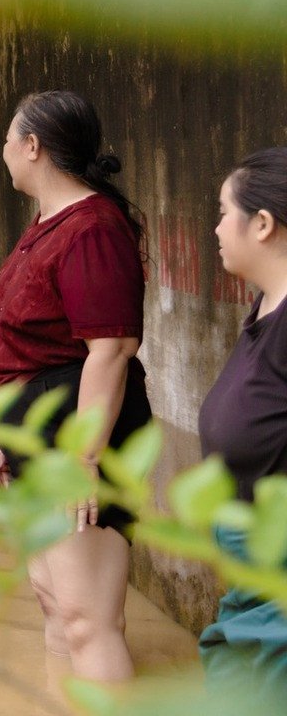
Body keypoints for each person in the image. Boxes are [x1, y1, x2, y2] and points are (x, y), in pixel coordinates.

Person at [0, 91, 149, 686]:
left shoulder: (93, 229)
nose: (2, 151)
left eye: (8, 138)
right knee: (53, 600)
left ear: (33, 147)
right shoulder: (51, 224)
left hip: (79, 428)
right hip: (37, 425)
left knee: (88, 619)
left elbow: (111, 349)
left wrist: (84, 460)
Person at [197, 148, 287, 702]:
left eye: (223, 211)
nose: (215, 228)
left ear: (262, 223)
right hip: (246, 564)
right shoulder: (261, 310)